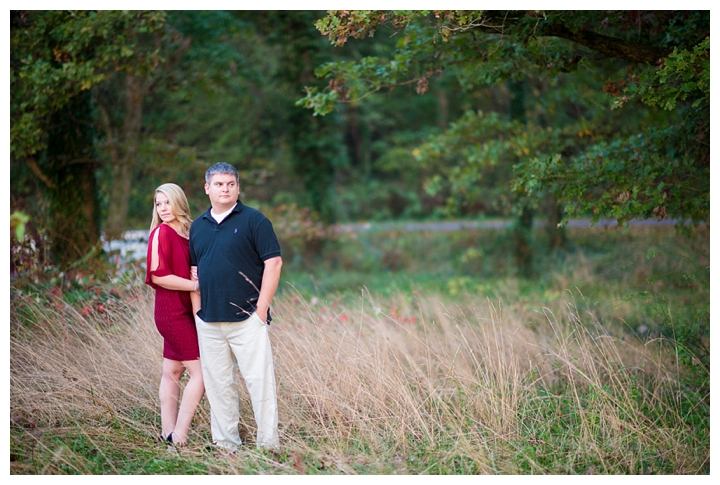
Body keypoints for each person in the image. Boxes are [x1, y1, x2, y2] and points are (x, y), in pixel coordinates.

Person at [189, 162, 282, 451]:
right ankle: (227, 446)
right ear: (207, 188)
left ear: (238, 187)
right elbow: (194, 274)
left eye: (230, 184)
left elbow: (274, 263)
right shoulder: (198, 227)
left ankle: (268, 446)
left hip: (247, 319)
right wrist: (197, 315)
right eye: (219, 184)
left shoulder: (255, 221)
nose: (225, 189)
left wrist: (261, 311)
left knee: (260, 384)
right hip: (209, 321)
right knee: (219, 387)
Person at [145, 183, 205, 446]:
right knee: (201, 374)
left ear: (179, 202)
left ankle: (167, 433)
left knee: (172, 371)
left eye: (167, 202)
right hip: (171, 312)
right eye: (158, 204)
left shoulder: (190, 233)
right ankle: (179, 437)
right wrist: (194, 285)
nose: (163, 208)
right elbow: (158, 275)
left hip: (187, 310)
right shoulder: (161, 232)